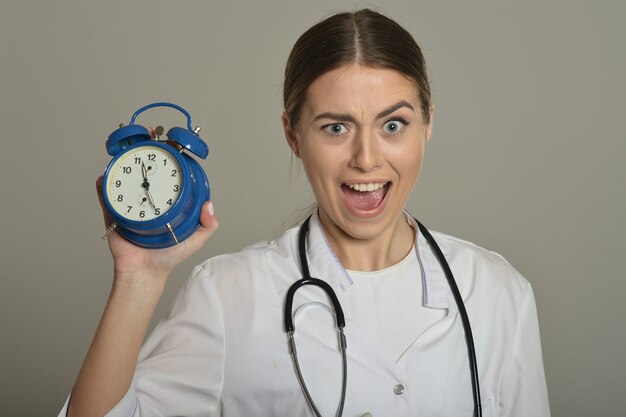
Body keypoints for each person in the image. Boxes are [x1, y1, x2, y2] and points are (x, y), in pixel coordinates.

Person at [59, 9, 550, 417]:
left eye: (393, 124)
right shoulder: (229, 296)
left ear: (427, 126)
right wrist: (137, 279)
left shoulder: (497, 293)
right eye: (336, 128)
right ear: (293, 135)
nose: (366, 157)